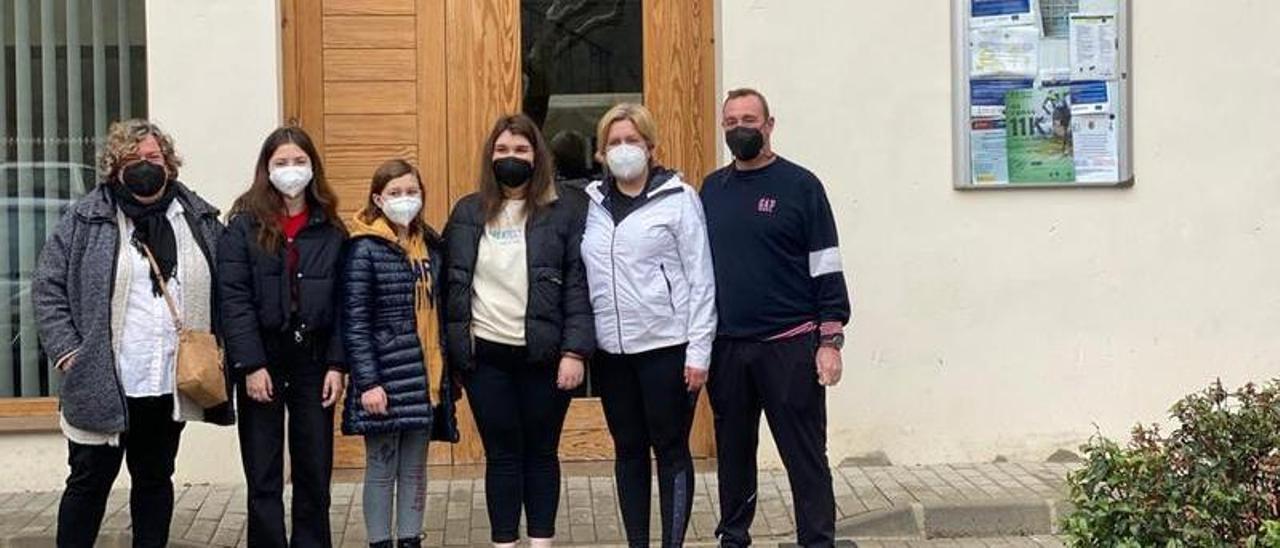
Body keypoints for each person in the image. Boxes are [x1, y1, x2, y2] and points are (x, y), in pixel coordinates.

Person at [34, 119, 232, 548]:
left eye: (153, 157)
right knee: (88, 484)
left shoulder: (196, 218)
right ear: (114, 166)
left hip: (165, 380)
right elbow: (47, 285)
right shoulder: (87, 219)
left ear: (169, 163)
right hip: (103, 379)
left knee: (155, 481)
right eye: (134, 158)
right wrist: (69, 351)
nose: (146, 165)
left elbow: (228, 284)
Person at [699, 88, 852, 548]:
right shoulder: (711, 189)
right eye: (730, 121)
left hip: (790, 345)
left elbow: (826, 262)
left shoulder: (801, 186)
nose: (739, 128)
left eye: (749, 119)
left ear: (769, 124)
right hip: (728, 347)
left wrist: (831, 339)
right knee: (733, 455)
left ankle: (817, 540)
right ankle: (734, 537)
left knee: (805, 456)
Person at [442, 114, 594, 548]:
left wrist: (575, 351)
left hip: (545, 357)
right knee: (502, 456)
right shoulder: (468, 211)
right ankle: (504, 542)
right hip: (485, 357)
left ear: (538, 156)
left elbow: (579, 283)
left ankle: (541, 542)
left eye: (521, 150)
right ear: (491, 156)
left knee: (542, 453)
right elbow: (451, 284)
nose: (511, 158)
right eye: (503, 150)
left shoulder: (564, 210)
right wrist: (453, 355)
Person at [579, 103, 716, 547]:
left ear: (650, 148)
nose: (623, 150)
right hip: (612, 353)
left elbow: (701, 279)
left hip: (667, 349)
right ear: (600, 154)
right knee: (627, 452)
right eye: (613, 143)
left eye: (631, 141)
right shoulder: (590, 204)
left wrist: (699, 352)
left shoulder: (679, 199)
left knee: (671, 450)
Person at [218, 126, 347, 547]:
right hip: (263, 361)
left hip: (313, 361)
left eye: (299, 162)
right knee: (264, 472)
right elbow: (233, 299)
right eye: (281, 163)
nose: (291, 171)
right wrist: (251, 365)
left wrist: (336, 364)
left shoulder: (329, 227)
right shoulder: (242, 226)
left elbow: (345, 302)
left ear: (313, 168)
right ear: (265, 169)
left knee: (314, 469)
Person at [342, 159, 459, 548]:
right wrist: (368, 382)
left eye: (411, 191)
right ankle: (380, 541)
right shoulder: (364, 249)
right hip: (386, 379)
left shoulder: (431, 244)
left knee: (415, 470)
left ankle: (410, 539)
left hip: (425, 375)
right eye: (394, 193)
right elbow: (355, 322)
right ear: (378, 198)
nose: (404, 199)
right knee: (381, 466)